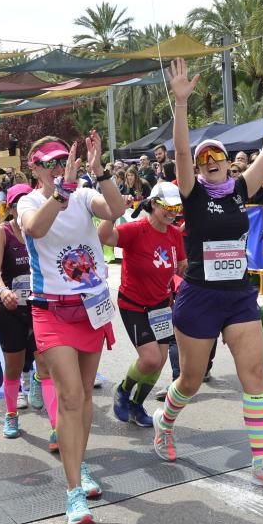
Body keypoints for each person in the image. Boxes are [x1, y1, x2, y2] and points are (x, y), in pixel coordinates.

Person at [155, 57, 263, 494]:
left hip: (238, 297)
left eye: (219, 155)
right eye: (206, 157)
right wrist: (181, 104)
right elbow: (181, 150)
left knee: (253, 375)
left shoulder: (240, 190)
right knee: (191, 380)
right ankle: (165, 424)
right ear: (198, 168)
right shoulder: (192, 193)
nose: (213, 160)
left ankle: (260, 463)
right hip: (198, 296)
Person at [16, 131, 125, 524]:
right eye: (50, 163)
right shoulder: (29, 201)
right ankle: (74, 492)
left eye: (63, 160)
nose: (59, 168)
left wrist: (101, 171)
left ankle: (79, 464)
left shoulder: (82, 194)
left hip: (91, 309)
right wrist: (59, 193)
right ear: (34, 168)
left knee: (85, 400)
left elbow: (115, 208)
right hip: (52, 310)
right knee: (72, 397)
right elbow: (36, 229)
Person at [98, 182, 186, 427]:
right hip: (134, 304)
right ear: (154, 203)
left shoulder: (175, 233)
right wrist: (114, 213)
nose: (173, 212)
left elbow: (180, 266)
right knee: (149, 359)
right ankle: (123, 391)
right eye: (168, 207)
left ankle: (137, 405)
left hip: (161, 306)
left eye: (177, 207)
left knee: (161, 360)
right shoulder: (136, 230)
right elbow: (104, 237)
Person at [0, 183, 38, 438]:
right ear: (11, 207)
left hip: (41, 306)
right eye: (18, 204)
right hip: (11, 308)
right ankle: (11, 414)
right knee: (14, 366)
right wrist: (3, 290)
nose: (24, 209)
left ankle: (54, 426)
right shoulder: (3, 233)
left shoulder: (41, 229)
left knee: (48, 363)